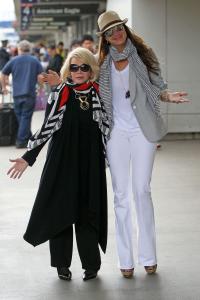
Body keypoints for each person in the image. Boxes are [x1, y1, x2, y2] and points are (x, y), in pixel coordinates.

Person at [96, 11, 189, 278]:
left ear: (125, 29)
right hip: (115, 132)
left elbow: (158, 85)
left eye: (119, 27)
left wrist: (167, 95)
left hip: (142, 130)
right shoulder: (102, 64)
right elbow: (84, 84)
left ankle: (149, 256)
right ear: (105, 38)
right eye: (110, 31)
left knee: (141, 190)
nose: (116, 33)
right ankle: (125, 259)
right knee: (120, 195)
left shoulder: (144, 55)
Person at [7, 47, 109, 281]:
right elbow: (47, 128)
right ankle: (62, 265)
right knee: (61, 211)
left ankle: (91, 264)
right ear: (68, 70)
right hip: (62, 161)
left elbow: (108, 127)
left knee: (88, 211)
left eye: (84, 66)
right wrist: (28, 157)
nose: (79, 71)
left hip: (90, 162)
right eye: (74, 67)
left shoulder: (98, 93)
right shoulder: (60, 93)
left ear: (90, 69)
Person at [1, 40, 43, 148]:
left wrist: (4, 87)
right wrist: (41, 88)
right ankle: (21, 141)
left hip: (17, 94)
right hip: (29, 94)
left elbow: (3, 73)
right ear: (29, 49)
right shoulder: (35, 60)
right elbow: (41, 76)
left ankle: (27, 137)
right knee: (25, 117)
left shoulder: (13, 60)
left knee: (21, 117)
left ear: (19, 49)